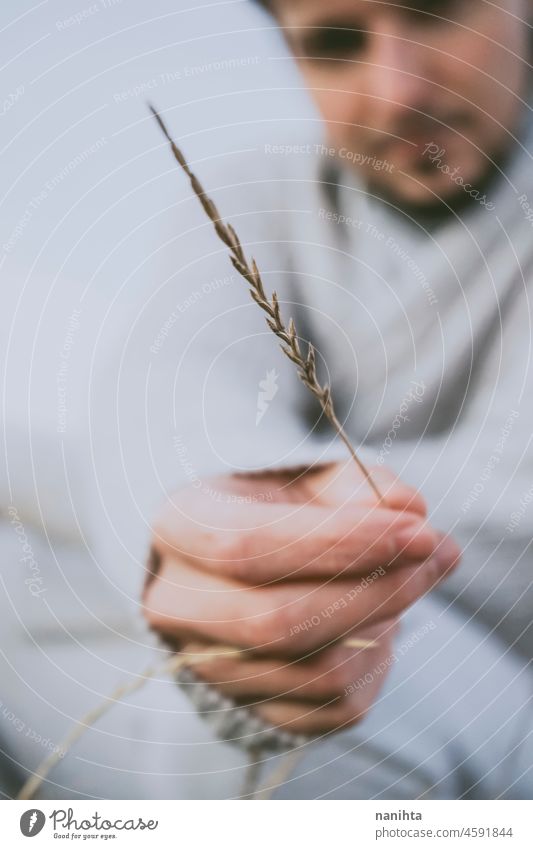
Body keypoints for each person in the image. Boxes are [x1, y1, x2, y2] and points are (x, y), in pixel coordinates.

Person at [139, 0, 533, 798]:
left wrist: (280, 516)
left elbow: (514, 513)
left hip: (489, 674)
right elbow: (169, 397)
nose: (399, 89)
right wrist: (203, 531)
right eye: (334, 43)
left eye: (436, 12)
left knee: (316, 690)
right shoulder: (252, 196)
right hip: (371, 634)